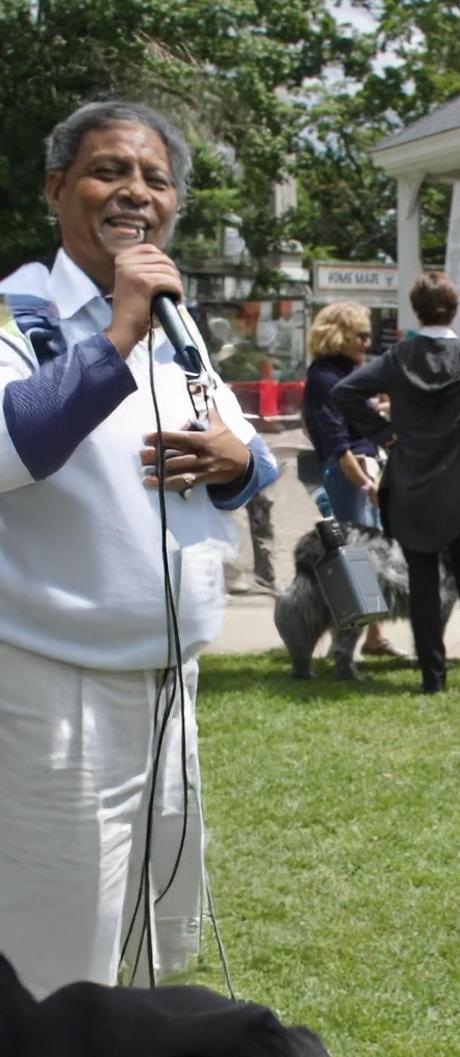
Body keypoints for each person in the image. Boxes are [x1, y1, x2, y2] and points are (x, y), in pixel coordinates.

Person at [0, 101, 278, 1000]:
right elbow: (6, 443)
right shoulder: (20, 312)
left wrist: (236, 460)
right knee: (53, 964)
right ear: (56, 189)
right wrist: (115, 335)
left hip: (169, 688)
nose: (135, 192)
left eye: (155, 180)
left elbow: (249, 450)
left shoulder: (175, 322)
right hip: (53, 690)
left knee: (149, 945)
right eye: (108, 171)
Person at [332, 271, 460, 694]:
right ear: (455, 309)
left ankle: (433, 678)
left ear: (416, 310)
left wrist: (384, 432)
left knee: (423, 583)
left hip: (413, 485)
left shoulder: (399, 357)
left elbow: (344, 392)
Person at [302, 300, 403, 659]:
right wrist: (366, 485)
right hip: (350, 475)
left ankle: (372, 638)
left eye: (368, 336)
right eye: (360, 335)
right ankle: (343, 643)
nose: (366, 343)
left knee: (370, 557)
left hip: (366, 469)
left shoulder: (352, 372)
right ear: (339, 335)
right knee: (354, 560)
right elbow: (337, 445)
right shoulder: (324, 377)